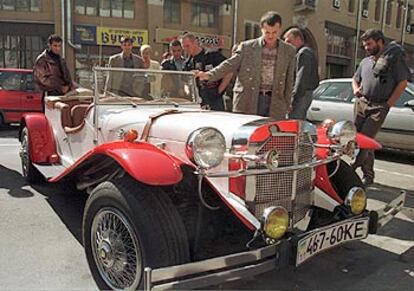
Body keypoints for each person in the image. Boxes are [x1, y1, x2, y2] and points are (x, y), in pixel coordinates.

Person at [196, 11, 296, 119]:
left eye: (274, 32)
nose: (271, 36)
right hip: (248, 98)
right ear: (261, 29)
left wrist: (287, 102)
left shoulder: (289, 50)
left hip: (275, 102)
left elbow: (289, 79)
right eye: (267, 32)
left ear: (280, 29)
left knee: (271, 133)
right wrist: (209, 75)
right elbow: (230, 64)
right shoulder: (247, 47)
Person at [352, 29, 410, 186]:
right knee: (359, 139)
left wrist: (388, 104)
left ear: (380, 42)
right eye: (365, 45)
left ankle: (351, 171)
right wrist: (356, 89)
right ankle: (368, 175)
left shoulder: (393, 60)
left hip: (379, 106)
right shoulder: (366, 61)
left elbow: (403, 83)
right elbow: (355, 79)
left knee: (365, 140)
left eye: (369, 44)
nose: (367, 48)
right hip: (362, 103)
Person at [181, 33, 232, 111]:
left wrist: (219, 90)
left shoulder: (212, 55)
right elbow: (185, 83)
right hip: (199, 101)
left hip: (215, 99)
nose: (186, 49)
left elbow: (229, 70)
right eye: (183, 47)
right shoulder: (187, 63)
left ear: (195, 43)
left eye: (188, 46)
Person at [283, 28, 319, 120]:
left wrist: (293, 99)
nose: (287, 44)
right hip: (305, 94)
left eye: (289, 41)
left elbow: (301, 78)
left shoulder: (303, 53)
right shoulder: (307, 52)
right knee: (298, 123)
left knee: (294, 123)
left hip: (301, 95)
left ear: (298, 39)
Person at [33, 34, 75, 111]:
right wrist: (59, 87)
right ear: (49, 45)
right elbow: (41, 79)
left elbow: (67, 76)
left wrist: (69, 86)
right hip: (50, 96)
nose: (57, 48)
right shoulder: (42, 60)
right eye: (55, 46)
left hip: (63, 96)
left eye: (59, 46)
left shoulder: (61, 60)